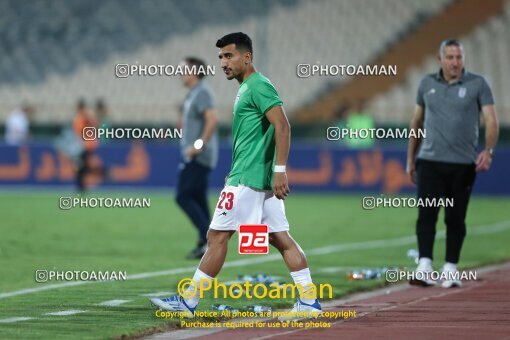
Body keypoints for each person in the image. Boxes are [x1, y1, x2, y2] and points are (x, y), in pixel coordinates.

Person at [151, 32, 322, 319]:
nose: (223, 63)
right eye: (220, 57)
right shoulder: (246, 87)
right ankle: (309, 303)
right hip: (255, 177)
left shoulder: (258, 86)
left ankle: (188, 301)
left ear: (247, 56)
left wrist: (280, 170)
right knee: (281, 239)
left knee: (217, 236)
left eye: (229, 56)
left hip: (249, 180)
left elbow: (283, 126)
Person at [406, 39, 499, 288]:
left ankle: (450, 268)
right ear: (440, 59)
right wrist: (410, 159)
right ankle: (424, 265)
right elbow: (416, 122)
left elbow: (491, 120)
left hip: (462, 164)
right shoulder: (426, 83)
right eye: (450, 57)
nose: (455, 62)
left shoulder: (478, 84)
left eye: (459, 57)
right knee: (426, 215)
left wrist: (488, 151)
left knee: (455, 218)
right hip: (429, 161)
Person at [176, 56, 219, 259]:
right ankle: (205, 243)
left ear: (194, 72)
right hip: (197, 154)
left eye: (183, 69)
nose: (179, 73)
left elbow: (212, 120)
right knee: (198, 198)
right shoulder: (194, 93)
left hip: (199, 155)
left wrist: (198, 146)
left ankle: (209, 238)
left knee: (183, 196)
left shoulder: (201, 92)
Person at [73, 99, 108, 193]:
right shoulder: (84, 117)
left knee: (81, 166)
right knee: (82, 166)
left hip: (84, 145)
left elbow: (81, 131)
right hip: (85, 144)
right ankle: (82, 186)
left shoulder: (83, 117)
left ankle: (82, 187)